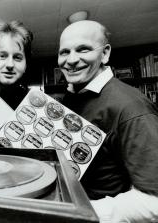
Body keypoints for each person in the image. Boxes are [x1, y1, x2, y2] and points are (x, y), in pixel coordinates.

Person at [58, 20, 158, 222]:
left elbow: (154, 201)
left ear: (105, 53)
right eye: (64, 52)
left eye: (83, 49)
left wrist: (81, 213)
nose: (71, 60)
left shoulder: (131, 107)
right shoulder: (72, 96)